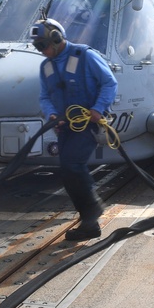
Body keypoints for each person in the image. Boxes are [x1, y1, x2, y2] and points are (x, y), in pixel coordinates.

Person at [31, 18, 117, 241]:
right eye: (37, 47)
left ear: (57, 39)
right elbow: (44, 96)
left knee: (73, 165)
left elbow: (109, 83)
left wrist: (98, 108)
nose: (41, 51)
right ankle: (89, 222)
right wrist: (51, 113)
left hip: (86, 123)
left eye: (42, 45)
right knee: (68, 172)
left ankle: (92, 213)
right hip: (64, 127)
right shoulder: (46, 67)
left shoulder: (84, 56)